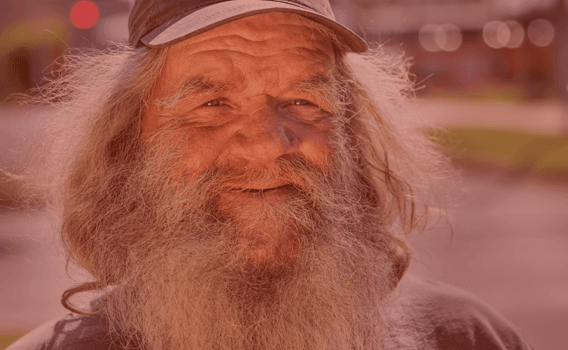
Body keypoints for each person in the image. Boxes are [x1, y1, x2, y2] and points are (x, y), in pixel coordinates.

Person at [8, 0, 534, 349]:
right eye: (211, 103)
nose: (265, 142)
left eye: (303, 101)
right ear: (126, 142)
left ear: (352, 135)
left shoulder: (468, 339)